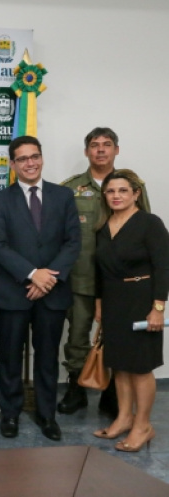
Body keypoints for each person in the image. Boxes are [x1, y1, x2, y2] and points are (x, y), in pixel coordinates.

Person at [0, 136, 80, 441]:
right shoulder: (0, 200)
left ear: (42, 158)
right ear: (12, 164)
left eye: (35, 156)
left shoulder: (64, 196)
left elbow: (72, 243)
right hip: (15, 292)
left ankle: (46, 414)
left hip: (52, 293)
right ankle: (10, 414)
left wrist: (47, 278)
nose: (30, 163)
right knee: (10, 357)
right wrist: (31, 274)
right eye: (23, 159)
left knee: (47, 357)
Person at [59, 128, 150, 417]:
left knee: (117, 337)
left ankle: (113, 393)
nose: (100, 150)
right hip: (81, 278)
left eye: (107, 145)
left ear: (116, 150)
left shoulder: (132, 185)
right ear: (86, 152)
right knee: (77, 337)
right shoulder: (70, 188)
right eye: (94, 146)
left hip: (120, 281)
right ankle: (76, 388)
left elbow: (143, 228)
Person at [91, 169, 168, 452]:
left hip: (141, 300)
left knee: (140, 367)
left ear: (135, 194)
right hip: (113, 302)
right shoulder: (102, 227)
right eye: (111, 191)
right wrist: (99, 304)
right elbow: (99, 271)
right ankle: (124, 418)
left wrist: (158, 308)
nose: (116, 196)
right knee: (119, 365)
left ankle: (143, 426)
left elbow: (163, 267)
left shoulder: (149, 223)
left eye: (123, 190)